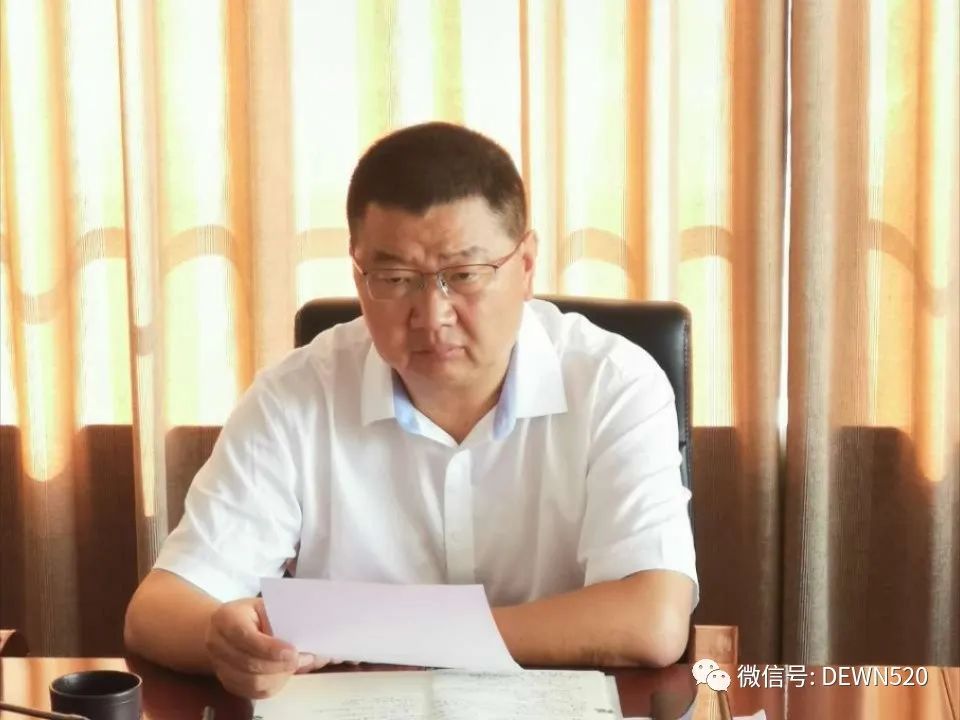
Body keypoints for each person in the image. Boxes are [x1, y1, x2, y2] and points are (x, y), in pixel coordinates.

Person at [124, 122, 698, 699]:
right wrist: (222, 640)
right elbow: (158, 609)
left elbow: (652, 620)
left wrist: (370, 631)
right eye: (395, 279)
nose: (432, 315)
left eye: (464, 275)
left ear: (525, 265)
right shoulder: (295, 395)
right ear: (358, 275)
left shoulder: (613, 383)